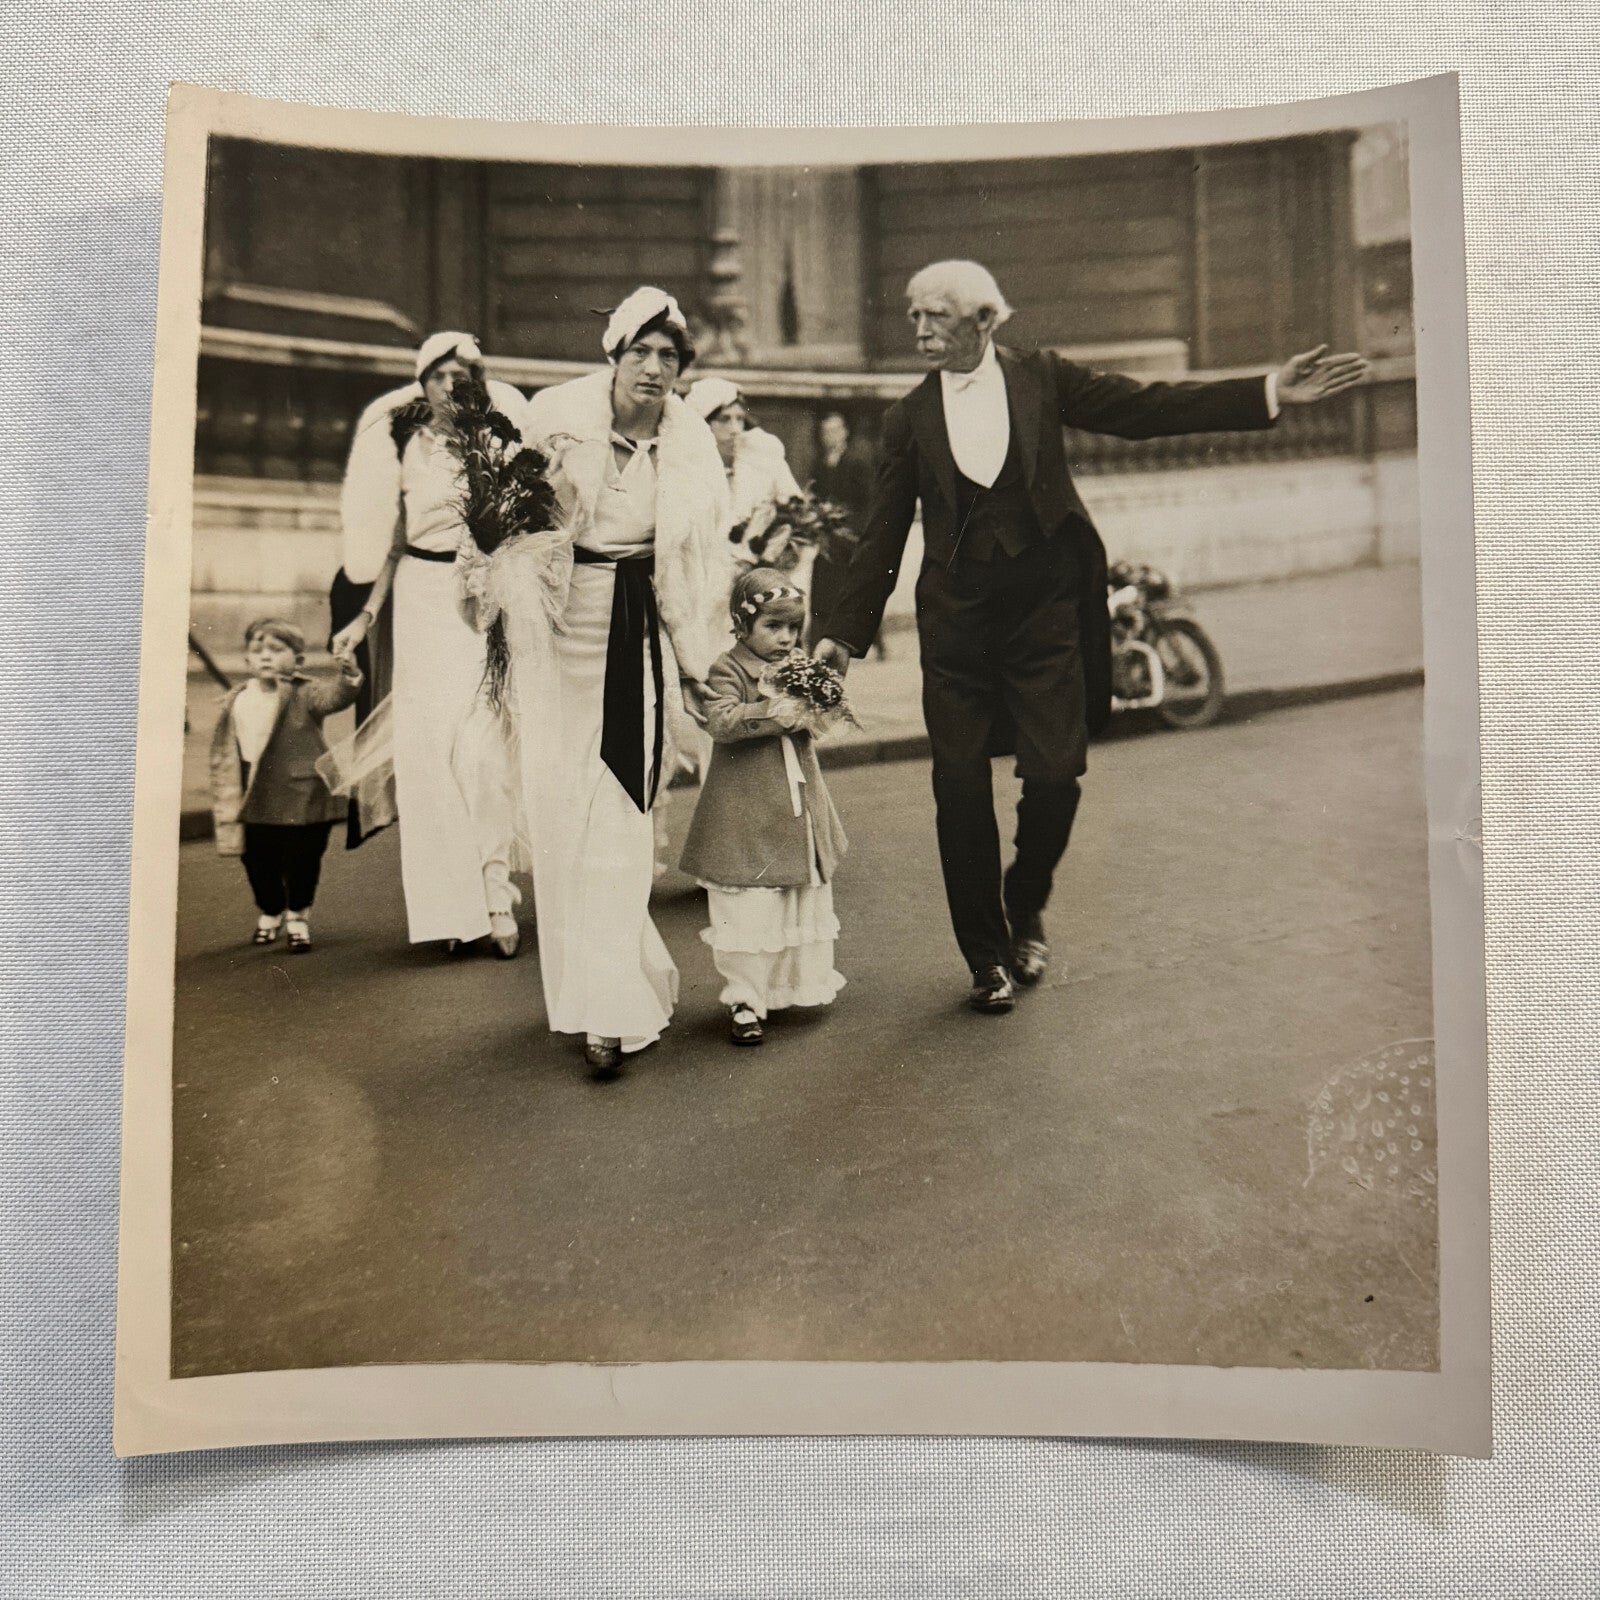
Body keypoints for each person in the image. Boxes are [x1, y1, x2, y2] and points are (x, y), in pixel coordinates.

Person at [812, 259, 1370, 1015]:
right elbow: (880, 534)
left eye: (933, 316)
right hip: (958, 630)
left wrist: (1269, 391)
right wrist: (840, 638)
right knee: (959, 791)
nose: (917, 329)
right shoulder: (907, 417)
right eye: (913, 315)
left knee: (1054, 775)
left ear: (983, 319)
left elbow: (1144, 408)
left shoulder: (1041, 377)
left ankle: (1026, 900)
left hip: (1045, 616)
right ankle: (985, 956)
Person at [476, 287, 733, 1078]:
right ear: (613, 357)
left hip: (634, 632)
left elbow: (698, 565)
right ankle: (584, 996)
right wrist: (517, 597)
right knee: (562, 815)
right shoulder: (554, 418)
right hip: (556, 627)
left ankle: (613, 1010)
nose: (655, 370)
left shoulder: (690, 446)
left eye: (669, 358)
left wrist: (699, 664)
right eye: (641, 354)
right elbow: (500, 529)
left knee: (621, 811)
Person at [329, 332, 526, 959]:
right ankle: (449, 907)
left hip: (479, 603)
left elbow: (523, 533)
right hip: (418, 600)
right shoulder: (404, 447)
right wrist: (364, 617)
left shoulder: (496, 446)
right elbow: (389, 544)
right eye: (439, 375)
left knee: (483, 749)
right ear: (423, 385)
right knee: (427, 757)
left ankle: (496, 894)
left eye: (463, 373)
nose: (451, 385)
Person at [679, 567, 848, 1046]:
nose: (785, 638)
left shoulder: (795, 665)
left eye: (793, 628)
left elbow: (817, 723)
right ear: (742, 624)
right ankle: (745, 996)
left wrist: (819, 707)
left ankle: (789, 985)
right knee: (751, 902)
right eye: (773, 626)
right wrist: (773, 711)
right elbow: (721, 720)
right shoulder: (727, 668)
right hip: (748, 807)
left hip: (796, 798)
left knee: (793, 893)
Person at [209, 618, 363, 952]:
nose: (266, 657)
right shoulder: (237, 698)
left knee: (302, 860)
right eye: (258, 650)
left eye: (277, 650)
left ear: (298, 661)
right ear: (247, 660)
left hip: (302, 795)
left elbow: (335, 698)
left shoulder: (305, 693)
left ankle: (297, 916)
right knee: (255, 858)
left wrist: (349, 675)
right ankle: (270, 910)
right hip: (256, 796)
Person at [685, 378, 803, 570]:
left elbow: (792, 511)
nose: (735, 429)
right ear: (703, 423)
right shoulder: (688, 470)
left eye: (739, 419)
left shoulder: (760, 462)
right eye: (724, 419)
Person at [806, 411, 886, 659]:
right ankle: (816, 644)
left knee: (856, 590)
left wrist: (851, 527)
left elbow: (869, 502)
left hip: (851, 538)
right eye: (825, 432)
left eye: (834, 431)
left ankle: (875, 641)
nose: (829, 436)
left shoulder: (856, 462)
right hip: (828, 539)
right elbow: (815, 496)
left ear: (844, 433)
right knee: (822, 589)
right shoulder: (819, 463)